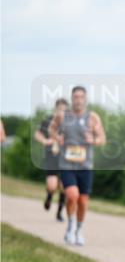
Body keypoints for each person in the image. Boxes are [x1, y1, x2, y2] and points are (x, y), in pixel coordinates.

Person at [49, 86, 106, 246]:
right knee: (72, 195)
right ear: (72, 98)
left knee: (83, 201)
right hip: (67, 164)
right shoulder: (62, 116)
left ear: (85, 99)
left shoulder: (92, 117)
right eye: (75, 97)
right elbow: (51, 129)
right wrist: (57, 137)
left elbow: (102, 138)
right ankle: (70, 225)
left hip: (85, 165)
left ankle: (79, 229)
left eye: (81, 97)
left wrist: (93, 140)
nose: (78, 100)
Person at [35, 99, 68, 221]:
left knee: (64, 186)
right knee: (52, 186)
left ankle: (59, 213)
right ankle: (49, 196)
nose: (62, 112)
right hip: (51, 157)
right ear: (56, 109)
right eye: (60, 109)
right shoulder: (48, 121)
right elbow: (38, 134)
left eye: (65, 110)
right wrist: (45, 141)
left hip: (66, 158)